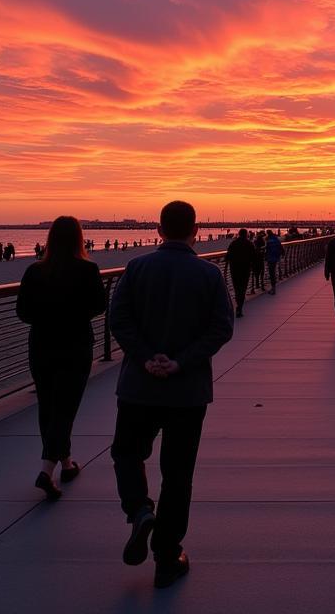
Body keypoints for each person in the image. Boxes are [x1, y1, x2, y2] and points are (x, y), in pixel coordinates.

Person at [109, 200, 234, 589]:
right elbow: (221, 328)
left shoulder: (136, 268)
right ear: (195, 230)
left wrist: (148, 358)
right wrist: (180, 362)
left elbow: (119, 320)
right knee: (178, 473)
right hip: (187, 390)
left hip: (138, 387)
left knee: (126, 452)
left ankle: (139, 509)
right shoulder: (209, 274)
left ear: (159, 229)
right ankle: (167, 556)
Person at [16, 216, 107, 501]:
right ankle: (47, 470)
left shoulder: (35, 271)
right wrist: (74, 316)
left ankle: (66, 464)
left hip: (42, 344)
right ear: (79, 238)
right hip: (76, 344)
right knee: (66, 406)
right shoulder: (88, 269)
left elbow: (22, 311)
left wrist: (46, 318)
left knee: (48, 405)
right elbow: (99, 306)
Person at [225, 228, 255, 317]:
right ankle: (239, 307)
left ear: (239, 234)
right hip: (245, 269)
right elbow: (253, 257)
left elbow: (227, 256)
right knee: (243, 287)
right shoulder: (250, 244)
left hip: (234, 269)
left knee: (236, 287)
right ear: (246, 235)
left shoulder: (233, 243)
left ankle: (238, 304)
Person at [264, 230, 283, 295]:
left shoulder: (269, 241)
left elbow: (267, 250)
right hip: (276, 257)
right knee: (273, 272)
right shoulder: (276, 239)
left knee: (271, 273)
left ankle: (273, 289)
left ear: (268, 234)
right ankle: (273, 288)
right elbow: (281, 248)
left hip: (270, 258)